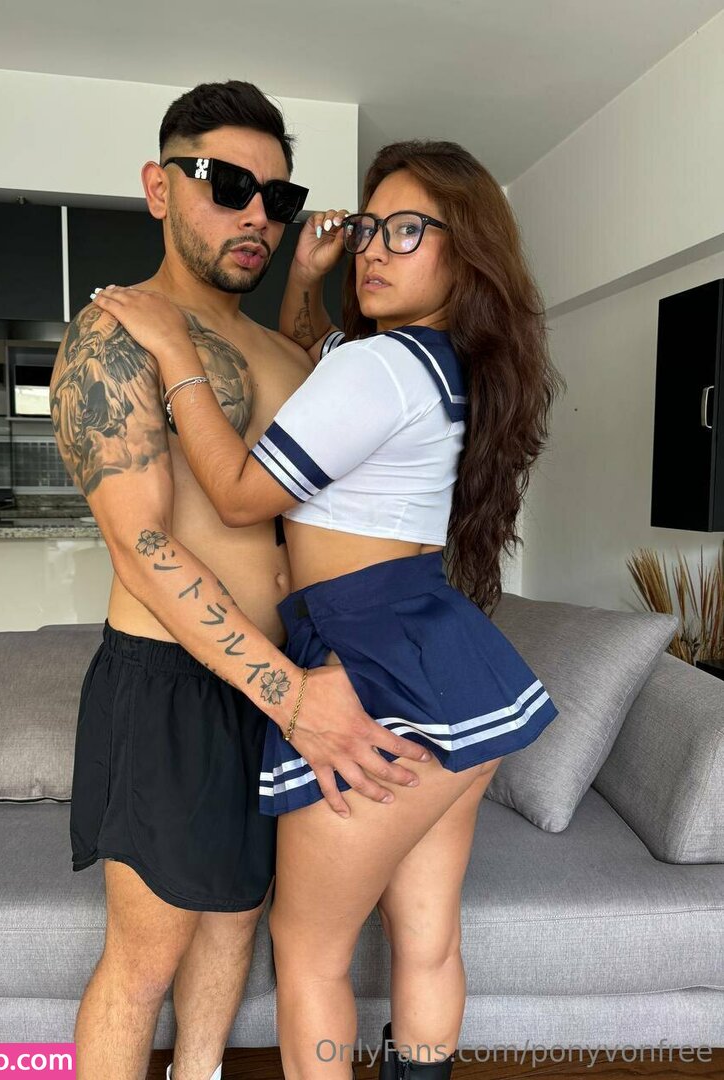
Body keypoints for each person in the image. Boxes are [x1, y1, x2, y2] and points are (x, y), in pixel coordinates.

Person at [92, 137, 566, 1079]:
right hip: (447, 659)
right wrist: (306, 282)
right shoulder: (437, 364)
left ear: (465, 250)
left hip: (369, 667)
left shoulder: (381, 367)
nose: (375, 250)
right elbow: (315, 364)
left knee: (309, 952)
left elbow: (239, 495)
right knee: (427, 939)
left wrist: (176, 348)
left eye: (407, 230)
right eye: (368, 231)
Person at [50, 81, 432, 1080]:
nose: (257, 212)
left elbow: (302, 449)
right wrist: (291, 695)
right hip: (173, 681)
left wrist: (305, 282)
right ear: (159, 188)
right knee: (145, 962)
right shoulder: (118, 334)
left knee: (235, 920)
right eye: (226, 184)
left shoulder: (275, 348)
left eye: (278, 195)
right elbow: (142, 544)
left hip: (279, 676)